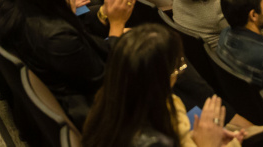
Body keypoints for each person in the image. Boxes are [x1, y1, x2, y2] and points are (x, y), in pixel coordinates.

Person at [0, 0, 138, 127]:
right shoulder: (58, 39)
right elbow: (104, 76)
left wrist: (104, 12)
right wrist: (117, 23)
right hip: (95, 107)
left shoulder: (16, 8)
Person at [83, 24, 247, 147]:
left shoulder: (110, 104)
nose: (180, 72)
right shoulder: (151, 142)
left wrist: (205, 139)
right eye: (178, 67)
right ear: (159, 80)